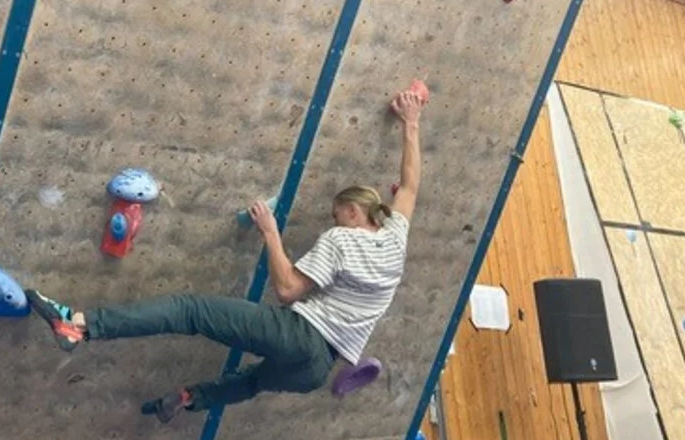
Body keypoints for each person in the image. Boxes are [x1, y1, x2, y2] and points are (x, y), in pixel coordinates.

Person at [25, 88, 426, 422]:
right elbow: (409, 187)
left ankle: (79, 325)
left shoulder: (344, 239)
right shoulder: (395, 238)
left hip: (302, 337)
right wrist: (409, 122)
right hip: (317, 370)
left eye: (338, 215)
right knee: (251, 382)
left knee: (190, 311)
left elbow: (287, 290)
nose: (336, 221)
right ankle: (188, 399)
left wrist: (271, 233)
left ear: (353, 213)